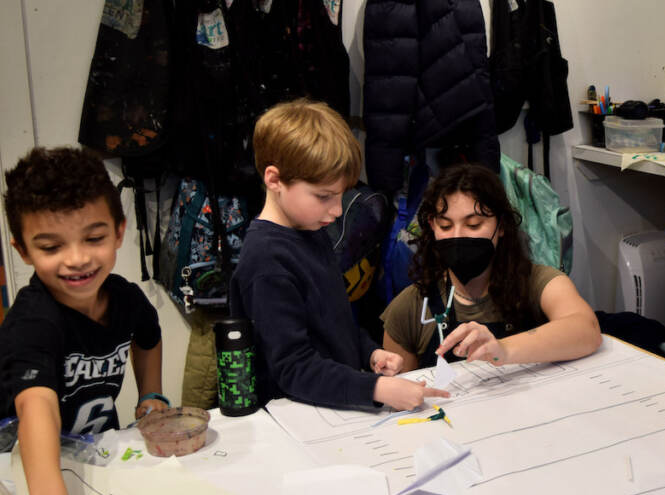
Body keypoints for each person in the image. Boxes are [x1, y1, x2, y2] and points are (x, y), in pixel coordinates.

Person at [0, 146, 167, 495]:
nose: (78, 258)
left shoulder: (126, 299)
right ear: (23, 250)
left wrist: (152, 394)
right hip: (21, 476)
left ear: (120, 232)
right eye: (51, 246)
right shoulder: (32, 321)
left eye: (94, 238)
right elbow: (36, 405)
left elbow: (149, 337)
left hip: (92, 459)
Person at [230, 99, 448, 412]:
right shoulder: (266, 262)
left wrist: (369, 354)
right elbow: (294, 369)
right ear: (274, 180)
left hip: (328, 405)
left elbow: (335, 323)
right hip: (293, 417)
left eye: (340, 196)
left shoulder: (310, 231)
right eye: (323, 197)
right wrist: (376, 388)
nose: (336, 211)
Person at [381, 163, 601, 371]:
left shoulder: (539, 282)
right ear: (432, 226)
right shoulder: (411, 308)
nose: (458, 236)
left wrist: (503, 350)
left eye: (473, 225)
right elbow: (403, 399)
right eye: (445, 225)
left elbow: (586, 329)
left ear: (502, 225)